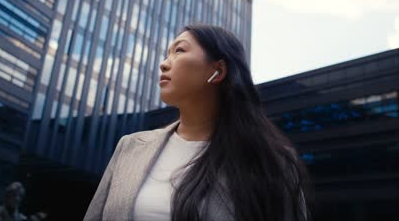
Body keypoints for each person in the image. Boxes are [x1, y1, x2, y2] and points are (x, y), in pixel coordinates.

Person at [83, 24, 312, 221]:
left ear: (218, 70)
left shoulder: (272, 162)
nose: (163, 64)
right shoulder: (130, 147)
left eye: (179, 50)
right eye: (167, 54)